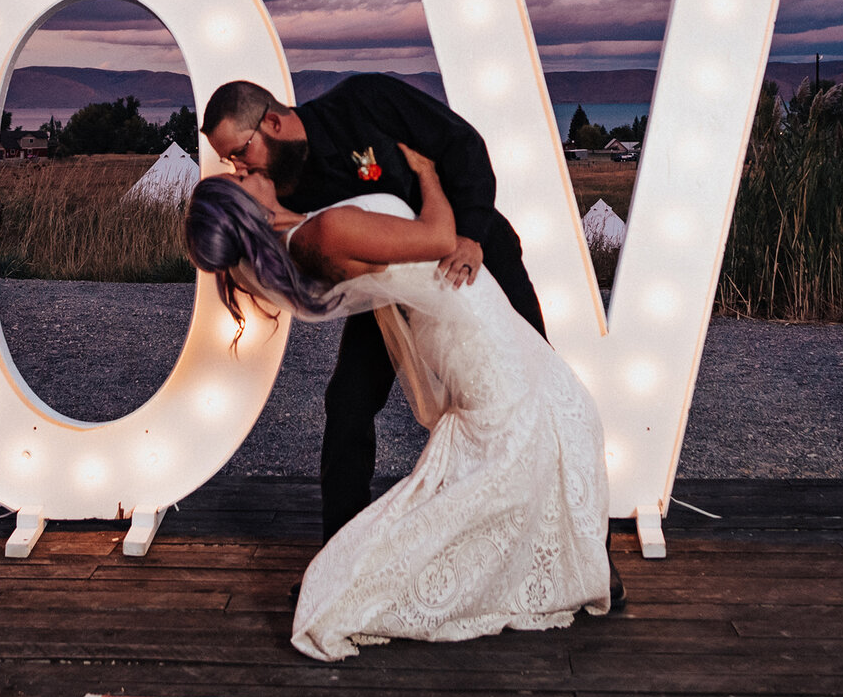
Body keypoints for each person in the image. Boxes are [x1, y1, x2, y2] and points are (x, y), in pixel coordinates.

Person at [184, 146, 613, 661]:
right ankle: (346, 562)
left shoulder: (314, 168)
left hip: (467, 268)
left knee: (548, 410)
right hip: (417, 282)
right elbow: (403, 236)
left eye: (239, 158)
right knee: (358, 403)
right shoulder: (304, 216)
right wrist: (422, 177)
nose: (237, 165)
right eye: (235, 171)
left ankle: (585, 550)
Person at [202, 76, 544, 540]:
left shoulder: (365, 101)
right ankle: (341, 549)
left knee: (539, 384)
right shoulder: (272, 191)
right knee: (348, 403)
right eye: (231, 162)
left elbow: (462, 144)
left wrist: (472, 232)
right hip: (389, 292)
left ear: (274, 123)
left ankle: (567, 534)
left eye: (240, 152)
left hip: (475, 259)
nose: (238, 166)